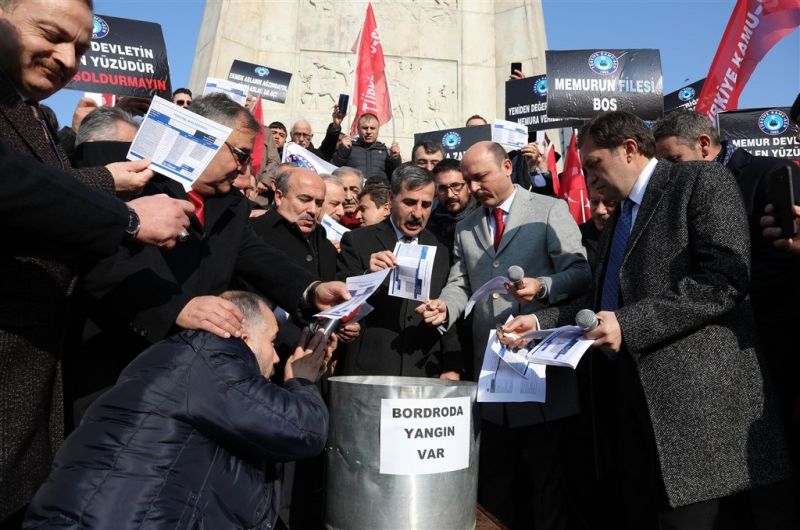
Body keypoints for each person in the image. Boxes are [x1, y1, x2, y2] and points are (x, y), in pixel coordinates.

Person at [501, 111, 792, 530]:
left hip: (696, 417)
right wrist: (541, 322)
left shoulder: (699, 181)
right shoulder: (621, 215)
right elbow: (605, 299)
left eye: (595, 165)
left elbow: (724, 280)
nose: (590, 179)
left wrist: (629, 325)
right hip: (630, 408)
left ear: (631, 150)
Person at [0, 0, 191, 522]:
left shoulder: (33, 115)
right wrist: (128, 219)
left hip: (33, 382)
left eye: (81, 49)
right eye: (51, 34)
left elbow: (41, 188)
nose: (66, 58)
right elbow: (15, 186)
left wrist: (108, 181)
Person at [73, 94, 349, 415]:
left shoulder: (229, 205)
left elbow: (258, 257)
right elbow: (99, 261)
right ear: (203, 137)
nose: (245, 170)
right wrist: (176, 308)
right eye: (240, 155)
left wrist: (312, 290)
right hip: (114, 370)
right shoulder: (129, 177)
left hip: (186, 382)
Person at [25, 291, 334, 530]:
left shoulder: (183, 357)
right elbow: (302, 429)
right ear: (242, 336)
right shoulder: (214, 358)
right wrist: (302, 382)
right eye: (271, 341)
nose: (277, 358)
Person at [417, 141, 592, 529]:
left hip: (542, 370)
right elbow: (460, 283)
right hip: (493, 377)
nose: (474, 188)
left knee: (545, 482)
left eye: (481, 177)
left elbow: (581, 272)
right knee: (496, 482)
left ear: (508, 167)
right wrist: (446, 307)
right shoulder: (466, 226)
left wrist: (542, 286)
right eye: (468, 181)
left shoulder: (549, 209)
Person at [653, 110, 800, 482]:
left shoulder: (766, 174)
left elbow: (781, 262)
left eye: (675, 161)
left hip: (771, 340)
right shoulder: (674, 192)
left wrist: (720, 286)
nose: (671, 173)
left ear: (704, 145)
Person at [337, 164, 462, 379]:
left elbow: (448, 307)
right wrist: (368, 276)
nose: (417, 213)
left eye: (426, 205)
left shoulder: (442, 249)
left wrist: (451, 365)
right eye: (410, 202)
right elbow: (338, 303)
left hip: (424, 370)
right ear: (390, 198)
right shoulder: (357, 241)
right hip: (370, 370)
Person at [426, 158, 478, 258]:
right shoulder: (429, 225)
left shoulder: (484, 219)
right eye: (442, 188)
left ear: (469, 186)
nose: (450, 194)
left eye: (456, 186)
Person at [332, 113, 401, 180]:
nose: (368, 131)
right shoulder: (348, 148)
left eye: (372, 128)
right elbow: (334, 170)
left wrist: (395, 158)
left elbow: (396, 177)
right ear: (358, 129)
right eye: (365, 128)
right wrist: (343, 150)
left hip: (379, 191)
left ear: (378, 129)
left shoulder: (387, 151)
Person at [579, 184, 617, 266]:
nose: (599, 210)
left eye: (609, 203)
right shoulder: (577, 235)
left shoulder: (633, 235)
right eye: (594, 202)